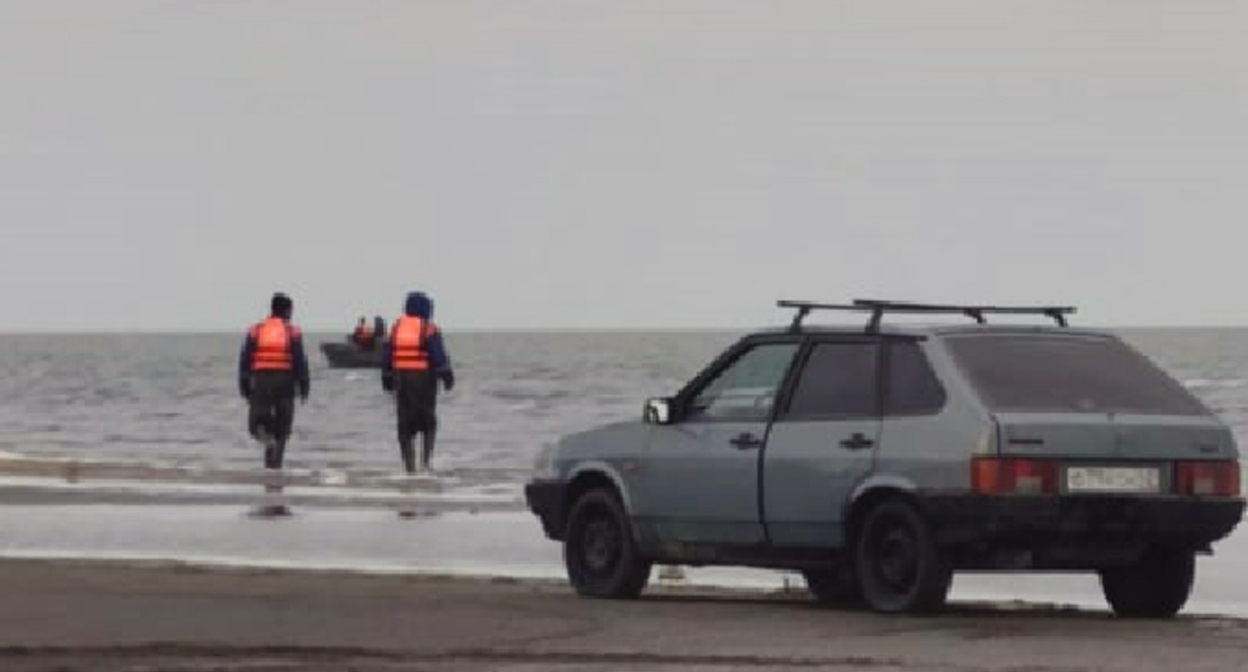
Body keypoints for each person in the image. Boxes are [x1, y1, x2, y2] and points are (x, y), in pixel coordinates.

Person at [381, 291, 454, 474]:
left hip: (401, 381)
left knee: (404, 426)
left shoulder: (396, 328)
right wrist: (446, 376)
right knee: (428, 423)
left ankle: (409, 468)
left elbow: (387, 355)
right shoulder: (428, 328)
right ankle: (426, 463)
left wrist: (386, 377)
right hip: (424, 380)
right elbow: (437, 354)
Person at [238, 292, 310, 471]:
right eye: (291, 310)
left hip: (261, 380)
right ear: (286, 311)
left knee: (257, 424)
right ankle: (276, 466)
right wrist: (304, 385)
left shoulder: (256, 330)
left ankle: (267, 443)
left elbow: (245, 359)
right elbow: (300, 360)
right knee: (283, 427)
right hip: (285, 381)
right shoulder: (292, 331)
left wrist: (244, 383)